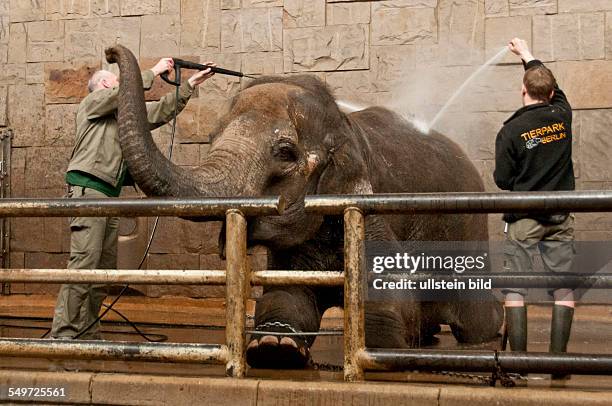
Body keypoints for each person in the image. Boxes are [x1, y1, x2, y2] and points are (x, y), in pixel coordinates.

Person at [50, 57, 214, 340]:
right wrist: (153, 71)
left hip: (111, 196)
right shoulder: (92, 105)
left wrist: (189, 84)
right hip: (89, 190)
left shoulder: (123, 115)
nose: (122, 85)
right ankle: (63, 334)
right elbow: (123, 93)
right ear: (104, 84)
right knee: (84, 263)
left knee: (103, 270)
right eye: (117, 80)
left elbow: (159, 111)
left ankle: (87, 332)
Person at [494, 38, 575, 377]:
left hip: (524, 218)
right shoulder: (562, 113)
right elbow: (553, 87)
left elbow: (502, 179)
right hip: (560, 215)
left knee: (515, 288)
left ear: (522, 91)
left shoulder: (511, 131)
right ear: (553, 92)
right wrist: (527, 55)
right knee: (565, 288)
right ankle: (558, 364)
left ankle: (518, 366)